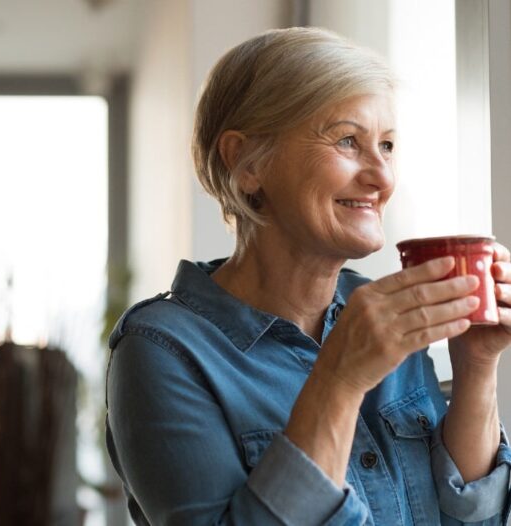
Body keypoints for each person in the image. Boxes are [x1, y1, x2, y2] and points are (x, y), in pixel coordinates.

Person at [105, 27, 511, 525]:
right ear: (246, 162)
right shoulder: (162, 350)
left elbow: (473, 521)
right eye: (347, 140)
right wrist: (339, 379)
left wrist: (477, 366)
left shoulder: (384, 315)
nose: (382, 177)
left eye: (386, 146)